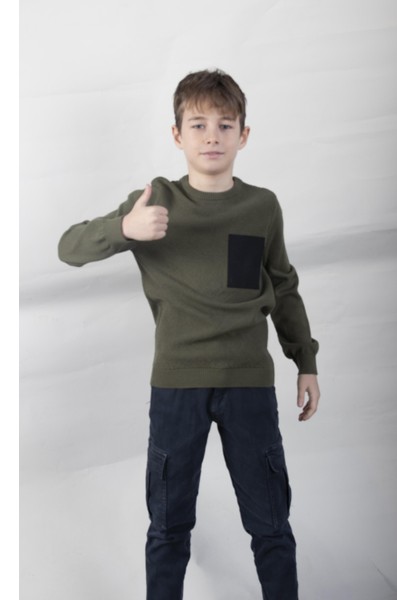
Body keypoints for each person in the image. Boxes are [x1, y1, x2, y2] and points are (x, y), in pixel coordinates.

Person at [58, 68, 320, 600]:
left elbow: (283, 287)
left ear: (244, 135)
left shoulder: (261, 206)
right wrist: (124, 229)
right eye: (198, 125)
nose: (212, 137)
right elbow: (68, 248)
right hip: (177, 389)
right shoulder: (155, 200)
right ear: (177, 135)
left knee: (271, 524)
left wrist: (305, 361)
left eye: (225, 125)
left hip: (248, 386)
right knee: (168, 525)